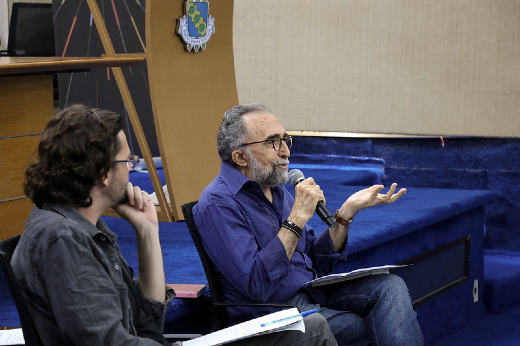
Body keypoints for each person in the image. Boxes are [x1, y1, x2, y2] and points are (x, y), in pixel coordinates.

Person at [11, 104, 337, 346]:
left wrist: (148, 232)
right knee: (313, 330)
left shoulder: (83, 227)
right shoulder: (63, 238)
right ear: (102, 172)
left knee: (312, 327)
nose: (132, 171)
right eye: (129, 162)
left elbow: (148, 319)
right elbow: (107, 341)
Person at [193, 103, 424, 346]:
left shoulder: (277, 190)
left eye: (285, 139)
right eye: (273, 142)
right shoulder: (218, 204)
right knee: (365, 324)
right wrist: (297, 218)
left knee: (390, 287)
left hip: (309, 294)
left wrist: (345, 216)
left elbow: (316, 261)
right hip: (270, 315)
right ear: (240, 157)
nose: (285, 151)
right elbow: (256, 286)